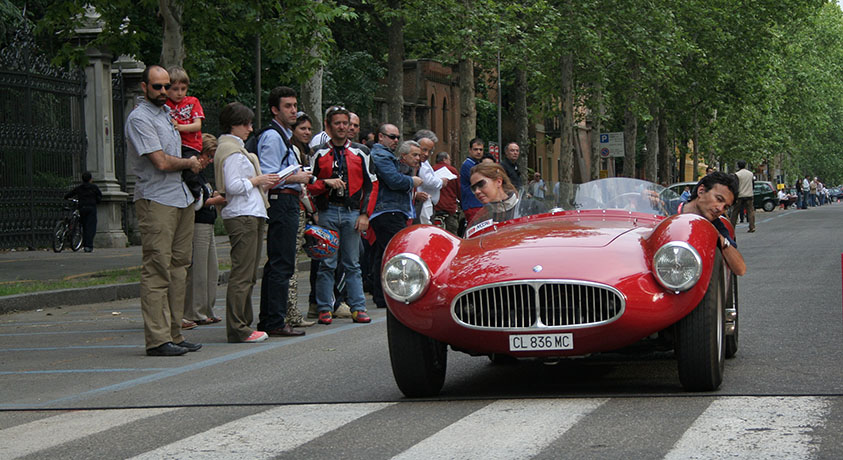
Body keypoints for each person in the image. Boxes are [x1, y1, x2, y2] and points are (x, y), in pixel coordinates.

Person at [126, 64, 203, 357]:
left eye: (166, 86)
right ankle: (157, 339)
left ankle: (174, 334)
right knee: (157, 267)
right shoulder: (139, 118)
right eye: (157, 86)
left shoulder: (168, 114)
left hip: (180, 197)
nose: (163, 91)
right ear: (144, 87)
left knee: (179, 267)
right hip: (156, 199)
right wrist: (190, 163)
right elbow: (160, 161)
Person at [214, 102, 279, 343]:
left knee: (248, 273)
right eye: (245, 124)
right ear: (233, 125)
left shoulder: (235, 149)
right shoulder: (231, 151)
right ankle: (238, 327)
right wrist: (257, 180)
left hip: (250, 212)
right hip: (242, 214)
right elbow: (232, 186)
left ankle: (243, 324)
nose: (250, 129)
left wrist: (260, 182)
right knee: (242, 274)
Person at [307, 106, 375, 324]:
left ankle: (358, 307)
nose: (343, 127)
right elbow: (308, 184)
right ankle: (324, 308)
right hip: (327, 211)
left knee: (352, 263)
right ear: (328, 126)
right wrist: (316, 209)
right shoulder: (317, 152)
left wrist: (365, 214)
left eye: (345, 123)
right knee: (326, 263)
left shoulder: (361, 152)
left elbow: (372, 185)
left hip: (352, 212)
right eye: (337, 123)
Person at [257, 86, 312, 338]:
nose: (293, 111)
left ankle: (272, 318)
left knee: (281, 262)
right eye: (287, 106)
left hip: (287, 200)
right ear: (274, 110)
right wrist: (296, 177)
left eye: (295, 105)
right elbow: (268, 175)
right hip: (281, 201)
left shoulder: (284, 136)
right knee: (282, 262)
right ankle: (274, 320)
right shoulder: (273, 137)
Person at [370, 139, 423, 309]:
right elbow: (394, 181)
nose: (418, 159)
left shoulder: (405, 168)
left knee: (383, 254)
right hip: (388, 213)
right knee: (396, 253)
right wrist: (411, 181)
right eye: (414, 155)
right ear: (403, 155)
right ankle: (393, 293)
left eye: (419, 156)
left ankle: (381, 295)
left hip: (395, 212)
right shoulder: (391, 162)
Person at [184, 134, 225, 327]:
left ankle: (207, 308)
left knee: (211, 269)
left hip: (208, 222)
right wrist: (216, 200)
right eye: (208, 156)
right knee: (198, 270)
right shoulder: (191, 174)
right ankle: (195, 310)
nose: (209, 161)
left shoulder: (201, 175)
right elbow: (196, 202)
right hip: (198, 223)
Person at [680, 172, 746, 276]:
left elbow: (740, 269)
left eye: (725, 207)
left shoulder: (717, 226)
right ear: (701, 191)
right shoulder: (666, 208)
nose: (720, 209)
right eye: (719, 199)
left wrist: (720, 239)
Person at [165, 66, 205, 203]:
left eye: (183, 89)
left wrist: (180, 127)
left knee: (190, 170)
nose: (179, 93)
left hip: (190, 144)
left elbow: (197, 125)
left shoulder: (192, 102)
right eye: (175, 89)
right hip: (173, 143)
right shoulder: (165, 104)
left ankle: (197, 193)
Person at [413, 129, 448, 225]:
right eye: (424, 150)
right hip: (419, 205)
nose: (427, 154)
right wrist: (441, 182)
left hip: (425, 205)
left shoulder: (423, 163)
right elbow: (427, 180)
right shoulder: (415, 164)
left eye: (430, 151)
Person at [64, 171, 102, 253]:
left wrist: (66, 197)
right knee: (90, 228)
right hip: (91, 208)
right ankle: (88, 245)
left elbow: (70, 194)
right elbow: (99, 196)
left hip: (82, 208)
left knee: (84, 226)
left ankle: (85, 244)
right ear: (90, 179)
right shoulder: (94, 187)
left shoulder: (79, 188)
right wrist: (96, 201)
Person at [432, 151, 460, 235]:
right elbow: (459, 189)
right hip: (449, 207)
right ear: (445, 159)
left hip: (435, 207)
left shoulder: (431, 170)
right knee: (452, 234)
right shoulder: (452, 170)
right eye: (449, 159)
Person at [459, 137, 485, 225]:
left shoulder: (478, 165)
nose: (478, 152)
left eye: (481, 150)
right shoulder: (468, 165)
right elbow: (480, 182)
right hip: (472, 204)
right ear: (470, 150)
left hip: (479, 204)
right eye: (475, 149)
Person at [729, 160, 755, 233]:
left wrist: (735, 195)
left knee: (735, 212)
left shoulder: (737, 174)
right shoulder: (750, 174)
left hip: (740, 195)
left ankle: (732, 228)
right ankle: (752, 226)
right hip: (749, 194)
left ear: (738, 166)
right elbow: (753, 184)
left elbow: (735, 186)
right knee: (750, 211)